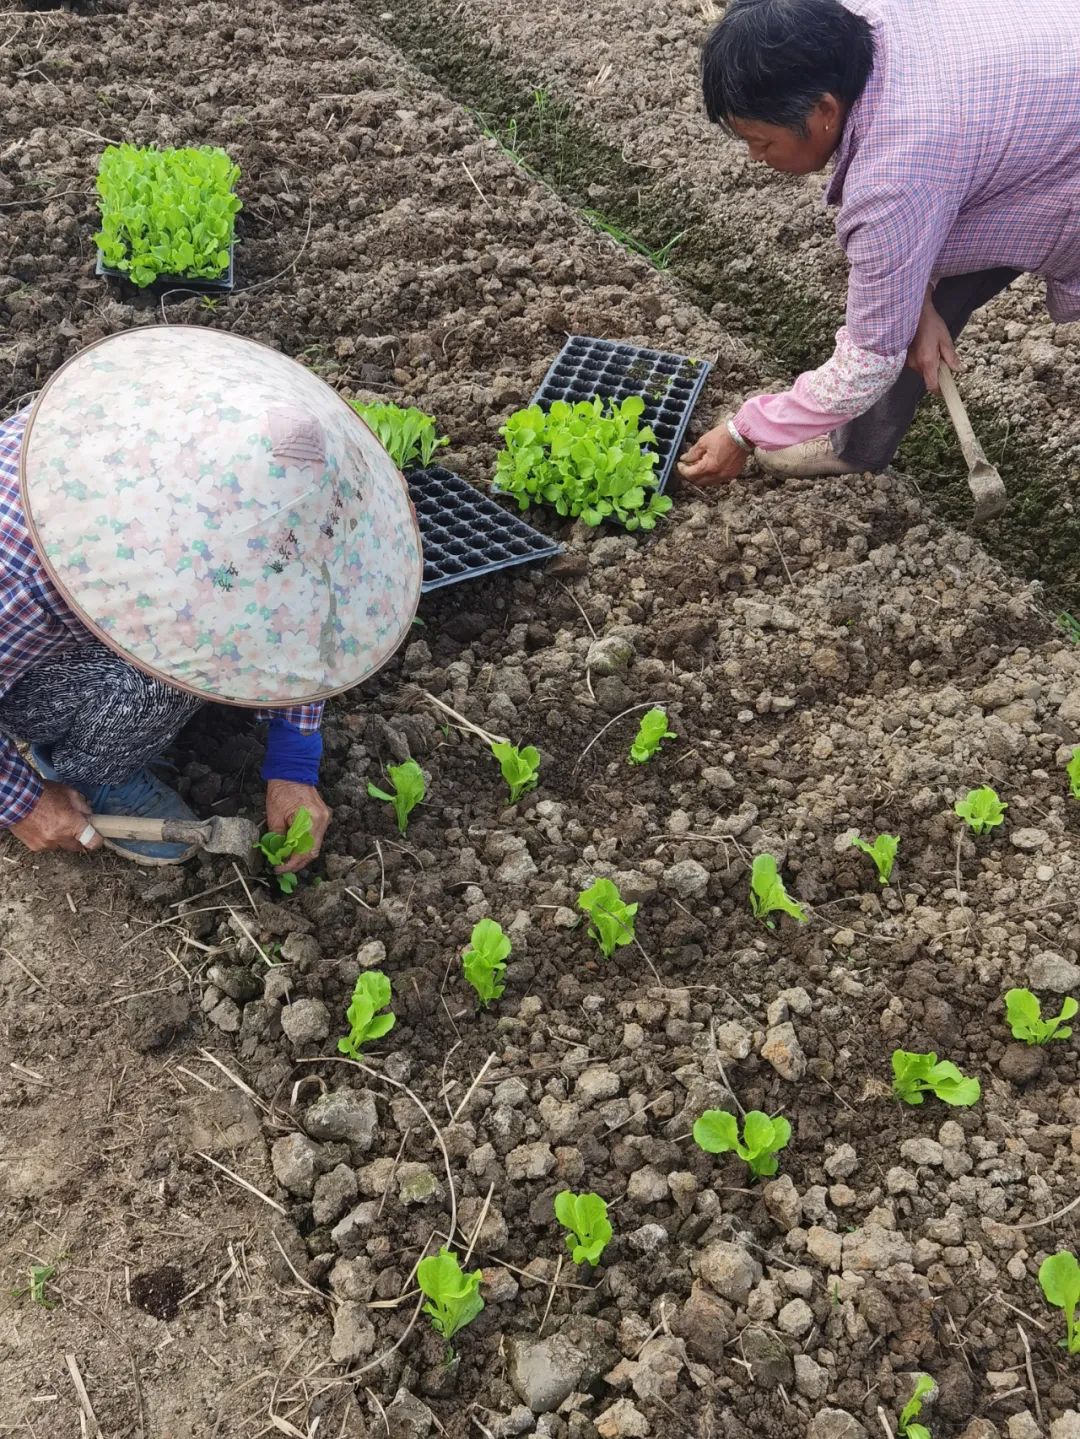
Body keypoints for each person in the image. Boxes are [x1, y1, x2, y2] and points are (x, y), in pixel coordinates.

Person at [0, 326, 423, 869]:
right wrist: (23, 804)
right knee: (166, 677)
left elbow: (304, 594)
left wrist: (293, 764)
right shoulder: (24, 568)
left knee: (218, 638)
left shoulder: (190, 426)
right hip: (22, 667)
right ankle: (92, 773)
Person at [678, 0, 1080, 486]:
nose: (754, 157)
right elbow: (928, 202)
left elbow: (868, 361)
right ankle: (856, 447)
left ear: (825, 110)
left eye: (762, 142)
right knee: (904, 302)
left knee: (886, 328)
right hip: (1027, 108)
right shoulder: (855, 21)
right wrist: (917, 298)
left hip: (1054, 137)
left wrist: (744, 431)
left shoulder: (895, 178)